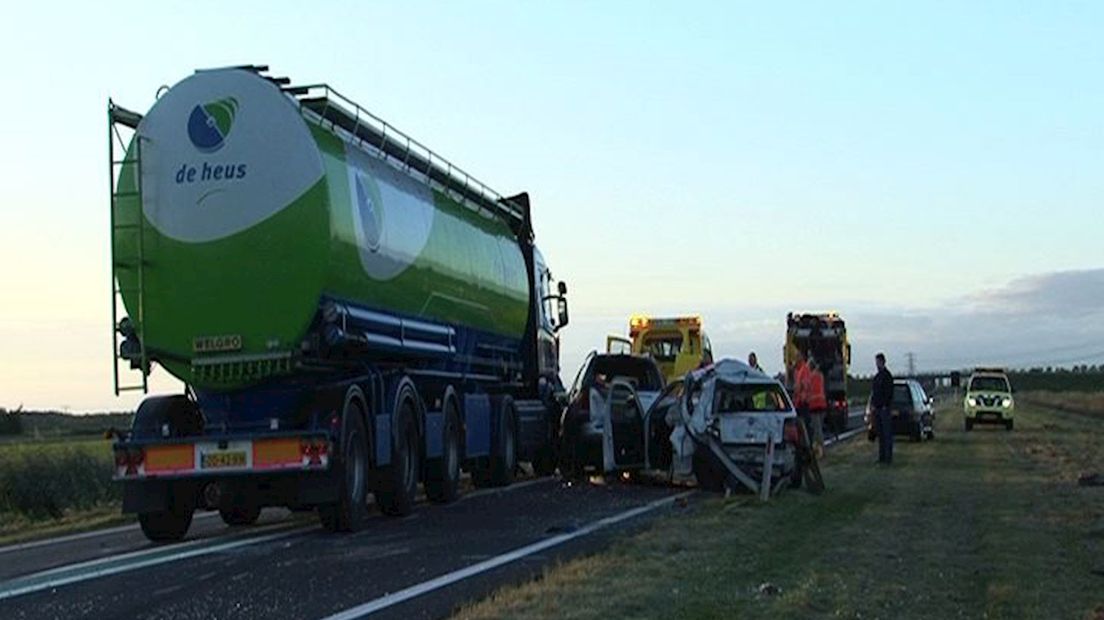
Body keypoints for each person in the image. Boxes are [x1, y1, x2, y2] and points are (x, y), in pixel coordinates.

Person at [871, 352, 895, 464]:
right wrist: (873, 406)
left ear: (883, 362)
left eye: (878, 361)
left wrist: (886, 405)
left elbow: (889, 392)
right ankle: (881, 457)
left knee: (887, 434)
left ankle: (888, 457)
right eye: (876, 362)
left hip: (884, 409)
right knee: (880, 434)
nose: (877, 364)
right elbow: (874, 393)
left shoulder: (887, 376)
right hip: (877, 409)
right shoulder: (877, 377)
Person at [807, 358, 828, 457]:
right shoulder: (820, 376)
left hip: (814, 406)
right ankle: (817, 450)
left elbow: (807, 390)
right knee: (817, 430)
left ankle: (821, 451)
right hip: (822, 405)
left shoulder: (810, 377)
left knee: (817, 431)